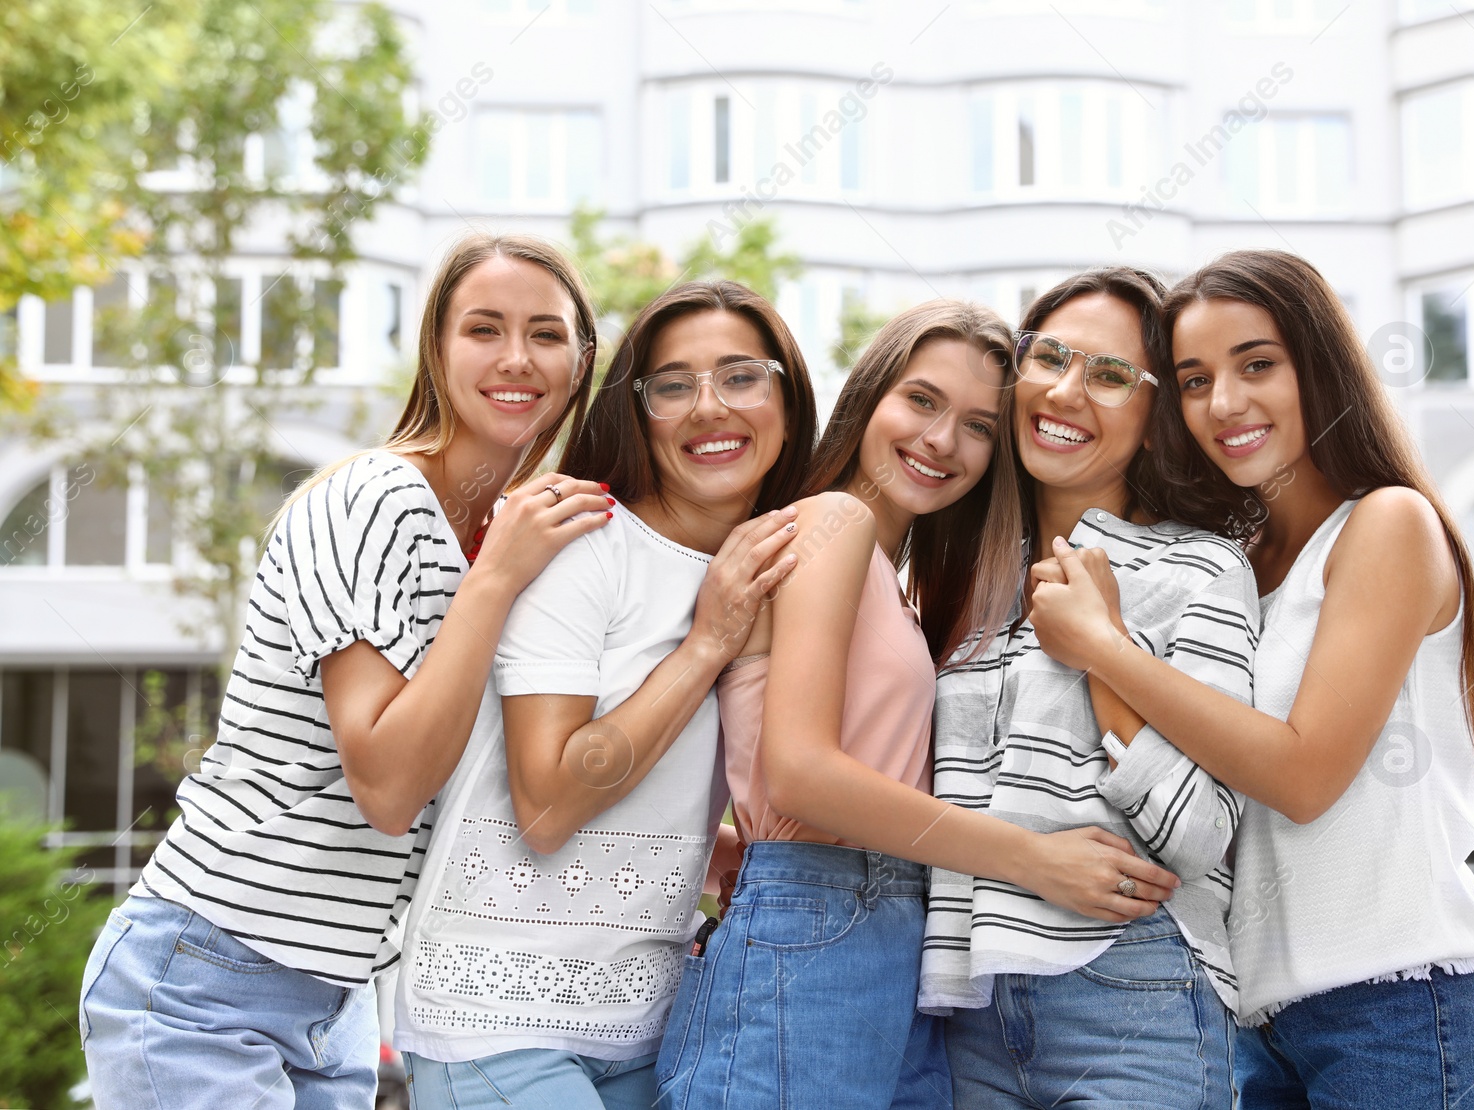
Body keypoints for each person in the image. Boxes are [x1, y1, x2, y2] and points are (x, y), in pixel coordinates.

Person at [78, 234, 610, 1109]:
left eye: (546, 334)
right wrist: (499, 578)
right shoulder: (373, 500)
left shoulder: (516, 537)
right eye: (484, 328)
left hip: (342, 995)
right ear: (437, 351)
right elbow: (390, 785)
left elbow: (495, 783)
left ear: (580, 360)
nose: (517, 358)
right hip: (205, 979)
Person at [654, 300, 1181, 1110]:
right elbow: (797, 774)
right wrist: (1032, 858)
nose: (942, 442)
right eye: (922, 401)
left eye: (977, 425)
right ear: (869, 398)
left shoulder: (899, 584)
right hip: (818, 929)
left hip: (889, 939)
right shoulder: (834, 522)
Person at [1041, 249, 1474, 1108]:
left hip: (1411, 1012)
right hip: (1265, 1029)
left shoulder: (1386, 524)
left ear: (1322, 365)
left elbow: (1304, 776)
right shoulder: (1232, 567)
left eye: (1257, 364)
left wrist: (1107, 649)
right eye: (1193, 380)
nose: (1224, 403)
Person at [393, 280, 817, 1109]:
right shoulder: (582, 541)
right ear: (637, 409)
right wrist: (707, 644)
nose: (708, 407)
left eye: (741, 377)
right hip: (498, 1018)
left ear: (788, 400)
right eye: (672, 385)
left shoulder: (776, 563)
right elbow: (548, 802)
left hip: (651, 1020)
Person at [920, 269, 1255, 1109]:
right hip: (968, 1008)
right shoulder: (954, 577)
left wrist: (1103, 652)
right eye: (1051, 358)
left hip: (1134, 989)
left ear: (1153, 423)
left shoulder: (1199, 570)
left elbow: (1201, 836)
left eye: (1110, 376)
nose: (1067, 391)